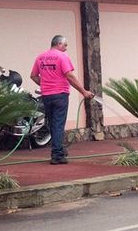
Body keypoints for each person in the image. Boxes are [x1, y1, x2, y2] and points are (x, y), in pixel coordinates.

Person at [30, 35, 94, 164]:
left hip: (46, 96)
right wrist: (84, 92)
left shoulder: (40, 57)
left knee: (53, 124)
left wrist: (45, 84)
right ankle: (57, 155)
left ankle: (59, 149)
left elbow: (33, 76)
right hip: (60, 95)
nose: (66, 48)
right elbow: (69, 75)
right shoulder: (62, 56)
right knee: (58, 124)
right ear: (58, 44)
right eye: (65, 45)